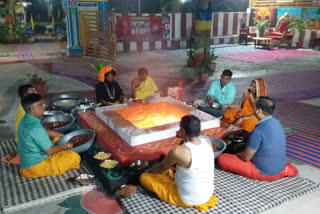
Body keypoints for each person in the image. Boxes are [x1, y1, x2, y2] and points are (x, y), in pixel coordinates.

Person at [140, 115, 217, 211]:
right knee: (173, 170)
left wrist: (148, 171)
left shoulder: (178, 151)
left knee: (144, 177)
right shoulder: (207, 142)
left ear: (183, 131)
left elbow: (161, 167)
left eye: (180, 128)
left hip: (186, 198)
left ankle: (146, 176)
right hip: (207, 194)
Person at [218, 96, 298, 181]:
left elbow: (246, 157)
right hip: (280, 167)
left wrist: (237, 153)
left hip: (263, 172)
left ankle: (270, 172)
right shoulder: (277, 123)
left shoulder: (258, 130)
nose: (252, 108)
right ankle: (285, 170)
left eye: (254, 106)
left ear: (258, 111)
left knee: (223, 158)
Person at [17, 93, 80, 178]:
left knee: (57, 138)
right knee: (74, 157)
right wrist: (67, 145)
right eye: (40, 105)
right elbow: (49, 151)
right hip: (36, 165)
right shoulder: (35, 127)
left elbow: (44, 131)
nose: (44, 106)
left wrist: (62, 136)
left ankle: (61, 149)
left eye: (42, 103)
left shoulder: (26, 119)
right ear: (32, 109)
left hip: (31, 158)